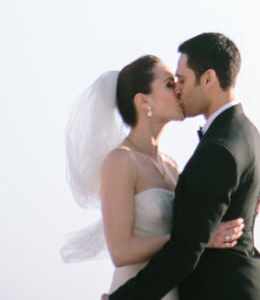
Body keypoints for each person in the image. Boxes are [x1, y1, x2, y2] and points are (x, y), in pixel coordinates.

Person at [62, 54, 243, 300]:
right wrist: (194, 240)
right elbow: (121, 251)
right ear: (143, 100)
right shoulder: (121, 161)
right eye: (170, 85)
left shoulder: (171, 166)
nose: (180, 90)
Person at [108, 32, 260, 300]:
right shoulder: (245, 132)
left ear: (207, 79)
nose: (178, 90)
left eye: (181, 81)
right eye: (171, 84)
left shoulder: (218, 148)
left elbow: (186, 249)